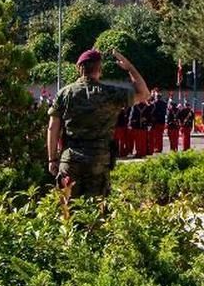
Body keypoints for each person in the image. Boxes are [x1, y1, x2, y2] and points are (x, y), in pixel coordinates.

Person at [48, 49, 149, 197]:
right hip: (98, 161)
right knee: (96, 211)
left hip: (70, 161)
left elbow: (52, 128)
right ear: (100, 69)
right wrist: (129, 68)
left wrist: (52, 159)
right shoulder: (111, 94)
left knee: (68, 211)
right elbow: (145, 94)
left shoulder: (64, 94)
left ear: (78, 68)